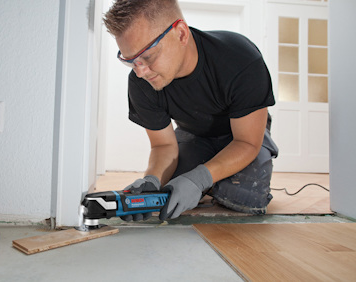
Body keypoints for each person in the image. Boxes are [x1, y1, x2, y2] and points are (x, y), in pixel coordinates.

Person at [103, 0, 278, 221]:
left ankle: (215, 183)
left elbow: (247, 142)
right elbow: (163, 145)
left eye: (147, 57)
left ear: (181, 34)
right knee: (167, 192)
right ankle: (210, 179)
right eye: (130, 61)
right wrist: (152, 181)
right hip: (194, 133)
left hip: (243, 134)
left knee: (245, 197)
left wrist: (200, 179)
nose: (141, 72)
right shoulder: (141, 83)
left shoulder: (239, 59)